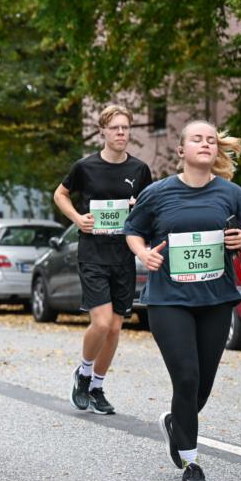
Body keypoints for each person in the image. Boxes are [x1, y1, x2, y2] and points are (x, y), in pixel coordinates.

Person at [125, 120, 241, 481]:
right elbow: (132, 230)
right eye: (197, 139)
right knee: (185, 376)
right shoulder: (158, 193)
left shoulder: (232, 194)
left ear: (216, 151)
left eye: (211, 140)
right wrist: (143, 254)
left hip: (216, 301)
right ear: (182, 150)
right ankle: (191, 462)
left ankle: (176, 422)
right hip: (169, 300)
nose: (205, 144)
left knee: (201, 384)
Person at [53, 104, 153, 415]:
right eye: (116, 128)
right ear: (103, 132)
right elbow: (60, 194)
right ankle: (82, 374)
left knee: (114, 329)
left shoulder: (139, 170)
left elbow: (149, 209)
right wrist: (77, 218)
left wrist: (139, 206)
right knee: (101, 321)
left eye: (126, 128)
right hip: (93, 254)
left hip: (123, 255)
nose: (121, 133)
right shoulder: (85, 167)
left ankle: (97, 386)